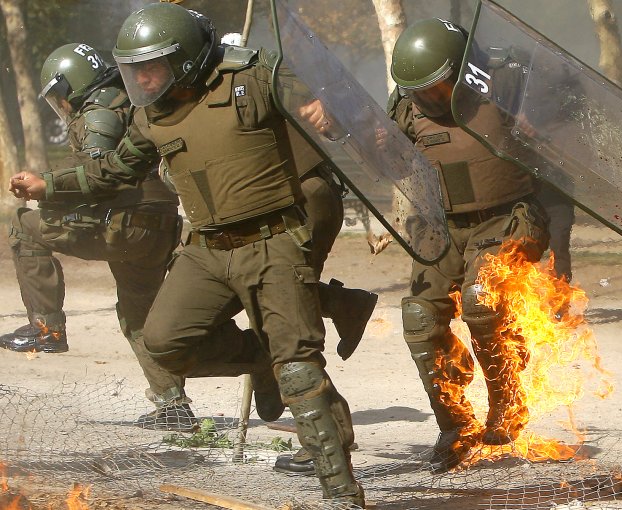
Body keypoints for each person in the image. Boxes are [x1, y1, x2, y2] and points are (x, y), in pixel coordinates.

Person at [9, 4, 364, 506]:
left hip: (273, 239)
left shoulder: (254, 78)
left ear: (187, 59)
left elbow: (330, 110)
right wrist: (50, 186)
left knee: (299, 367)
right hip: (206, 248)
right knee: (164, 342)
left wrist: (326, 111)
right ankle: (261, 357)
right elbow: (113, 170)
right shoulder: (150, 114)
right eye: (134, 70)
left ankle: (342, 493)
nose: (142, 80)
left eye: (151, 67)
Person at [2, 43, 198, 432]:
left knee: (22, 225)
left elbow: (98, 173)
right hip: (156, 227)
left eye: (60, 96)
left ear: (72, 84)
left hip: (125, 224)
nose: (61, 104)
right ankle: (172, 405)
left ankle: (47, 327)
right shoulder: (132, 101)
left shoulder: (99, 112)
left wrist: (46, 185)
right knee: (137, 312)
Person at [388, 18, 550, 473]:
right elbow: (384, 152)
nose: (428, 100)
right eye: (420, 92)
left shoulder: (508, 83)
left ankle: (508, 402)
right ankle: (454, 424)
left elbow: (570, 121)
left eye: (439, 88)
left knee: (482, 301)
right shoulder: (406, 106)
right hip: (441, 226)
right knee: (419, 318)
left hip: (508, 217)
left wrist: (540, 125)